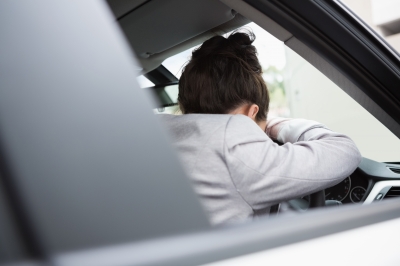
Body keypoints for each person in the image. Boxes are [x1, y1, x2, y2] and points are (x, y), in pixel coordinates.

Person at [159, 31, 361, 226]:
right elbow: (345, 151)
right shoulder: (233, 146)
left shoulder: (155, 132)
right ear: (251, 112)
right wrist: (276, 125)